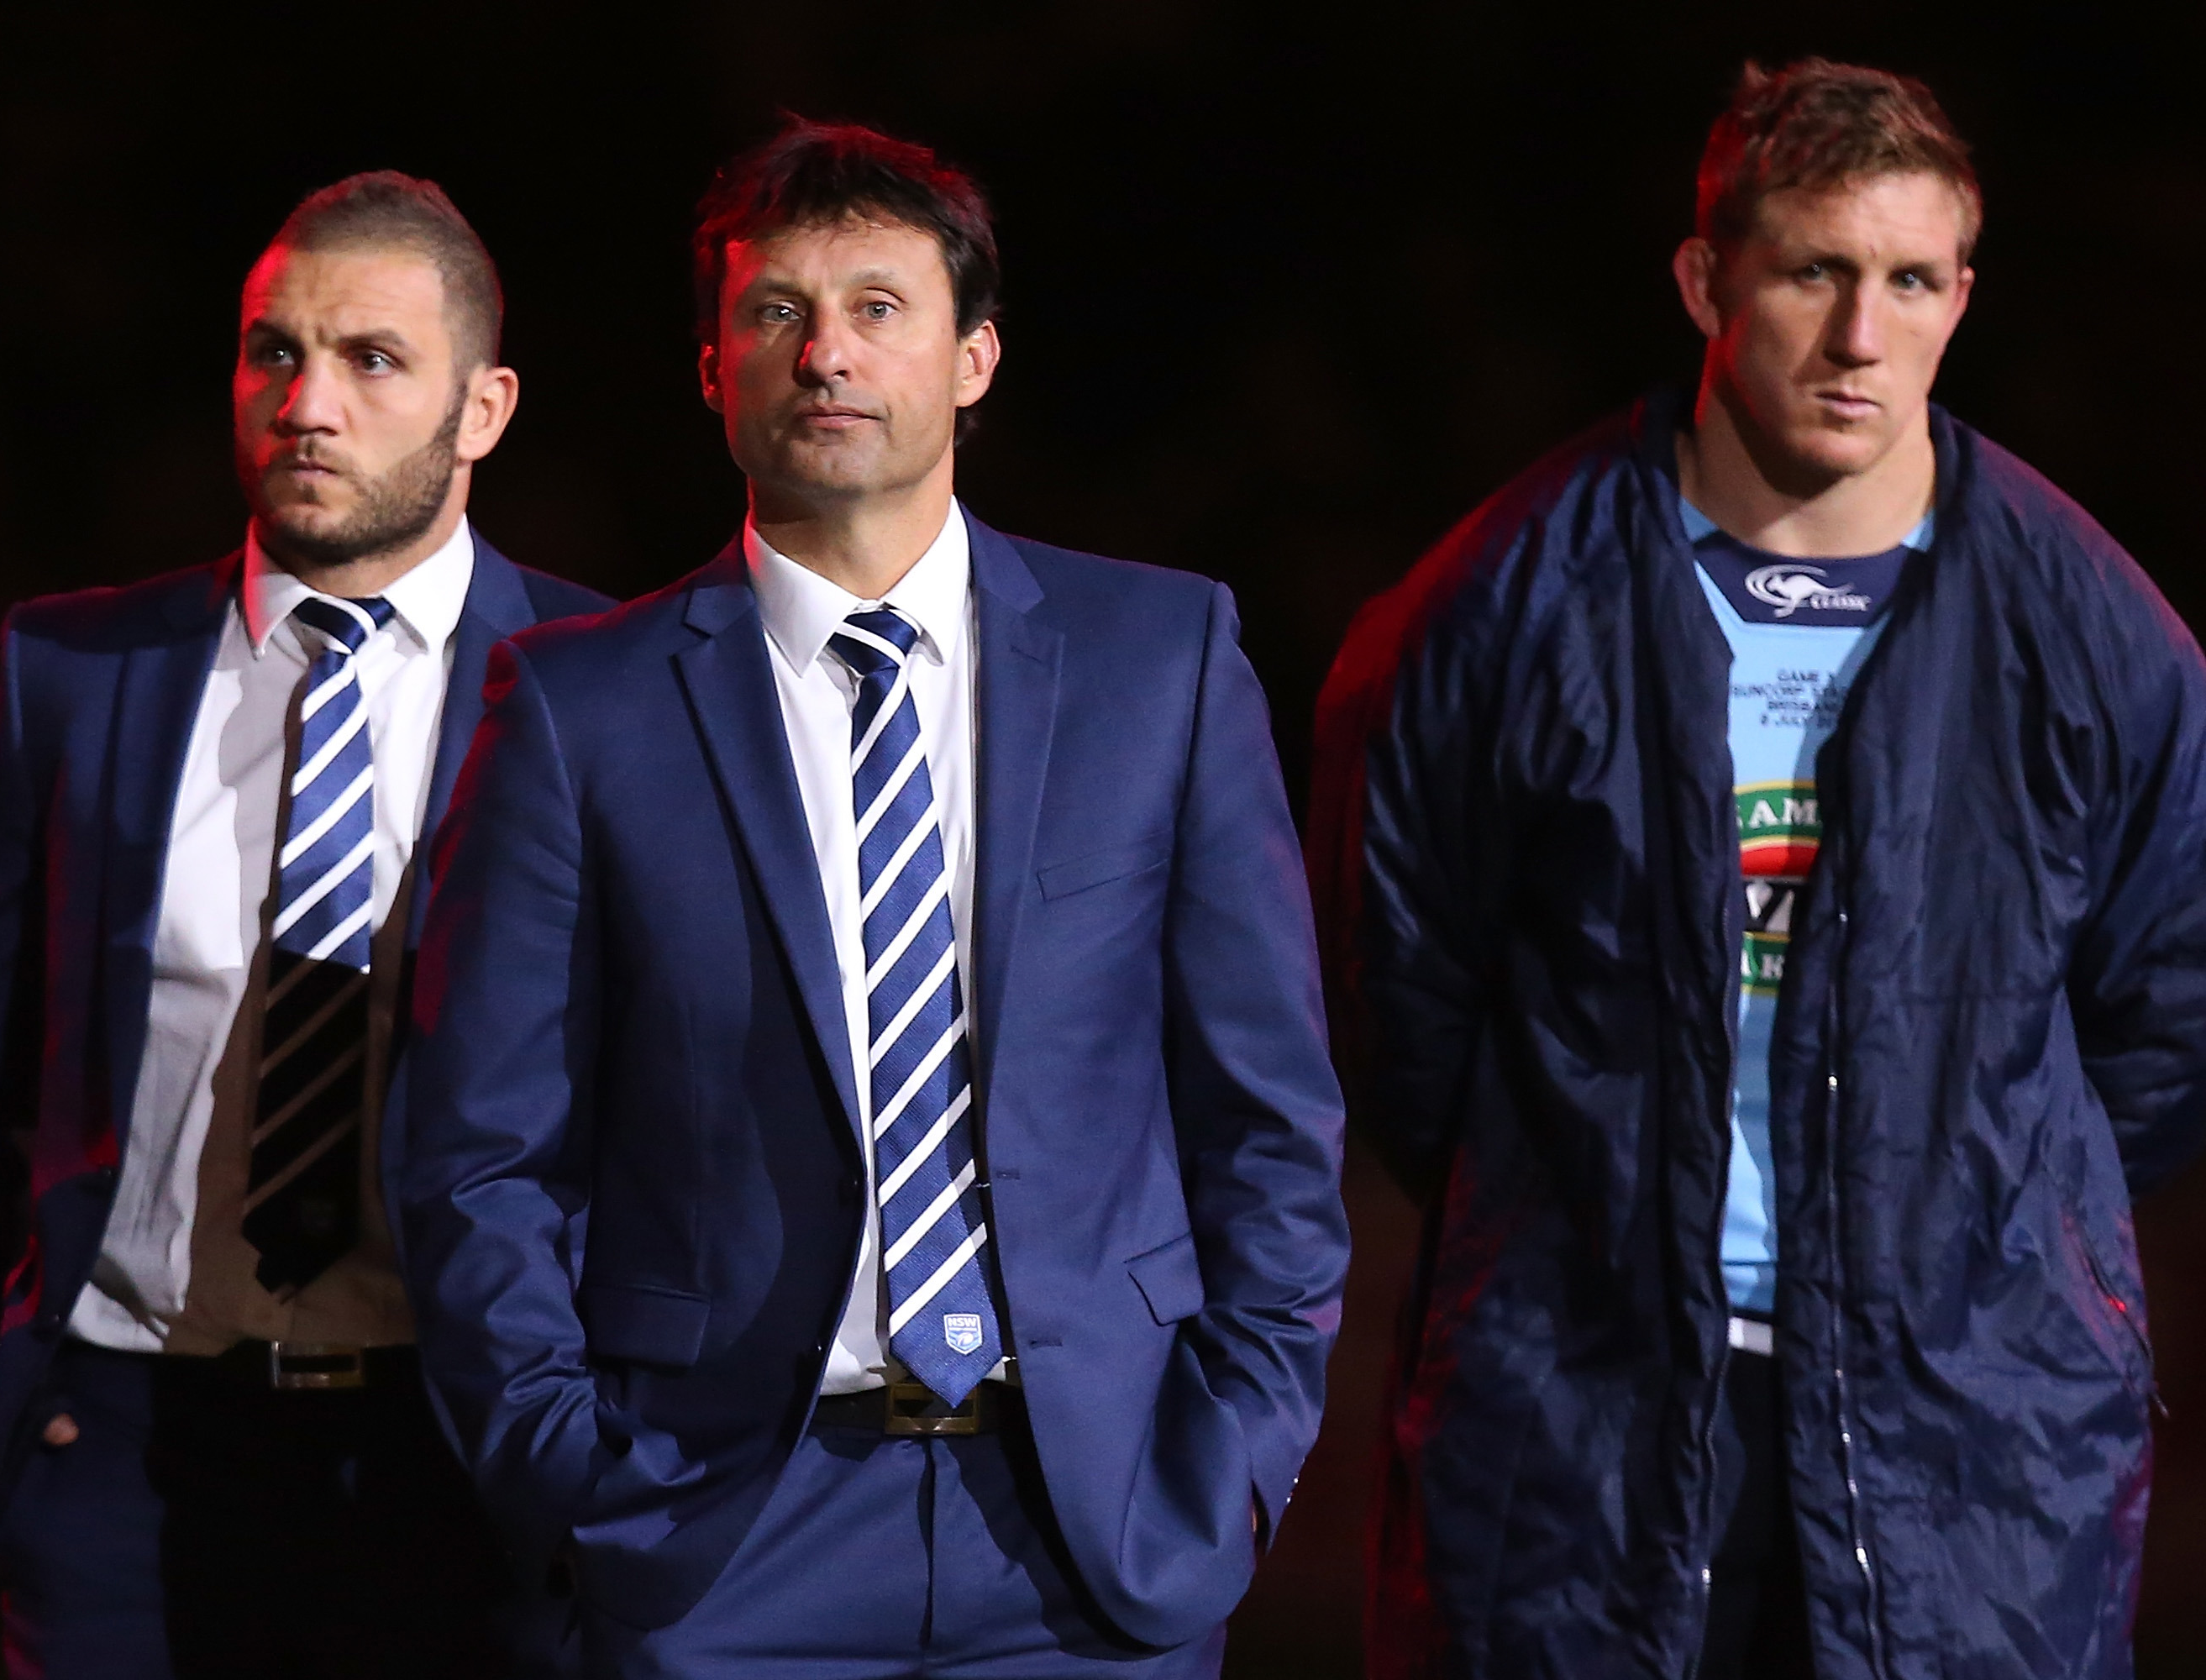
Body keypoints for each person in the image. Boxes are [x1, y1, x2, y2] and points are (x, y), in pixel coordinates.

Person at [395, 118, 1349, 1678]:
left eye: (878, 307)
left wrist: (1231, 1464)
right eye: (776, 311)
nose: (824, 349)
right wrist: (577, 1479)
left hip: (1095, 1526)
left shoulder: (1158, 661)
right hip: (719, 1538)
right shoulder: (577, 707)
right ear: (714, 373)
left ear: (974, 358)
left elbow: (1268, 1112)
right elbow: (480, 1152)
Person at [1310, 58, 2206, 1680]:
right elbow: (1402, 1009)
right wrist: (1568, 1212)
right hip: (1584, 1410)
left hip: (1973, 1427)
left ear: (1961, 295)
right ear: (1704, 276)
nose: (1863, 336)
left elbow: (2165, 1018)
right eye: (1814, 272)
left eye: (1911, 280)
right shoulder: (1495, 610)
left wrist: (1990, 1235)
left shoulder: (2097, 635)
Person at [0, 171, 612, 1679]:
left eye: (372, 360)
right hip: (126, 1444)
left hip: (462, 1449)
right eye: (275, 351)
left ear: (485, 408)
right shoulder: (81, 673)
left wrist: (593, 1443)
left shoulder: (610, 688)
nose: (307, 403)